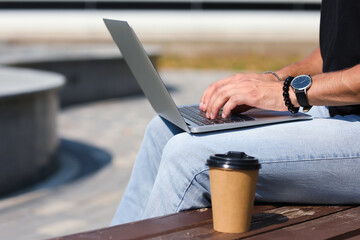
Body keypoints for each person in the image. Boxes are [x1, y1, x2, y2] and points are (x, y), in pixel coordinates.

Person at [111, 0, 360, 225]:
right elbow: (338, 45)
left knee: (189, 157)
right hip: (334, 110)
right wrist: (272, 81)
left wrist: (287, 94)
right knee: (164, 129)